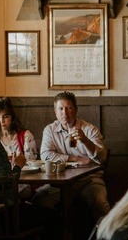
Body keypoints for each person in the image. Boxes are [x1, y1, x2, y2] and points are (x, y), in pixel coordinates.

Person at [35, 91, 110, 220]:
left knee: (100, 203)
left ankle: (108, 237)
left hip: (89, 181)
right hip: (59, 183)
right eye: (61, 108)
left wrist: (85, 140)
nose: (65, 113)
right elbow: (45, 155)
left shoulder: (89, 129)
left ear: (76, 109)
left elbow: (102, 157)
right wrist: (75, 159)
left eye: (69, 108)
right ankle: (57, 235)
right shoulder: (50, 130)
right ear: (55, 111)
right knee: (39, 200)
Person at [0, 97, 38, 162]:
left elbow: (31, 162)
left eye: (5, 117)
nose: (1, 121)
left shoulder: (26, 136)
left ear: (12, 117)